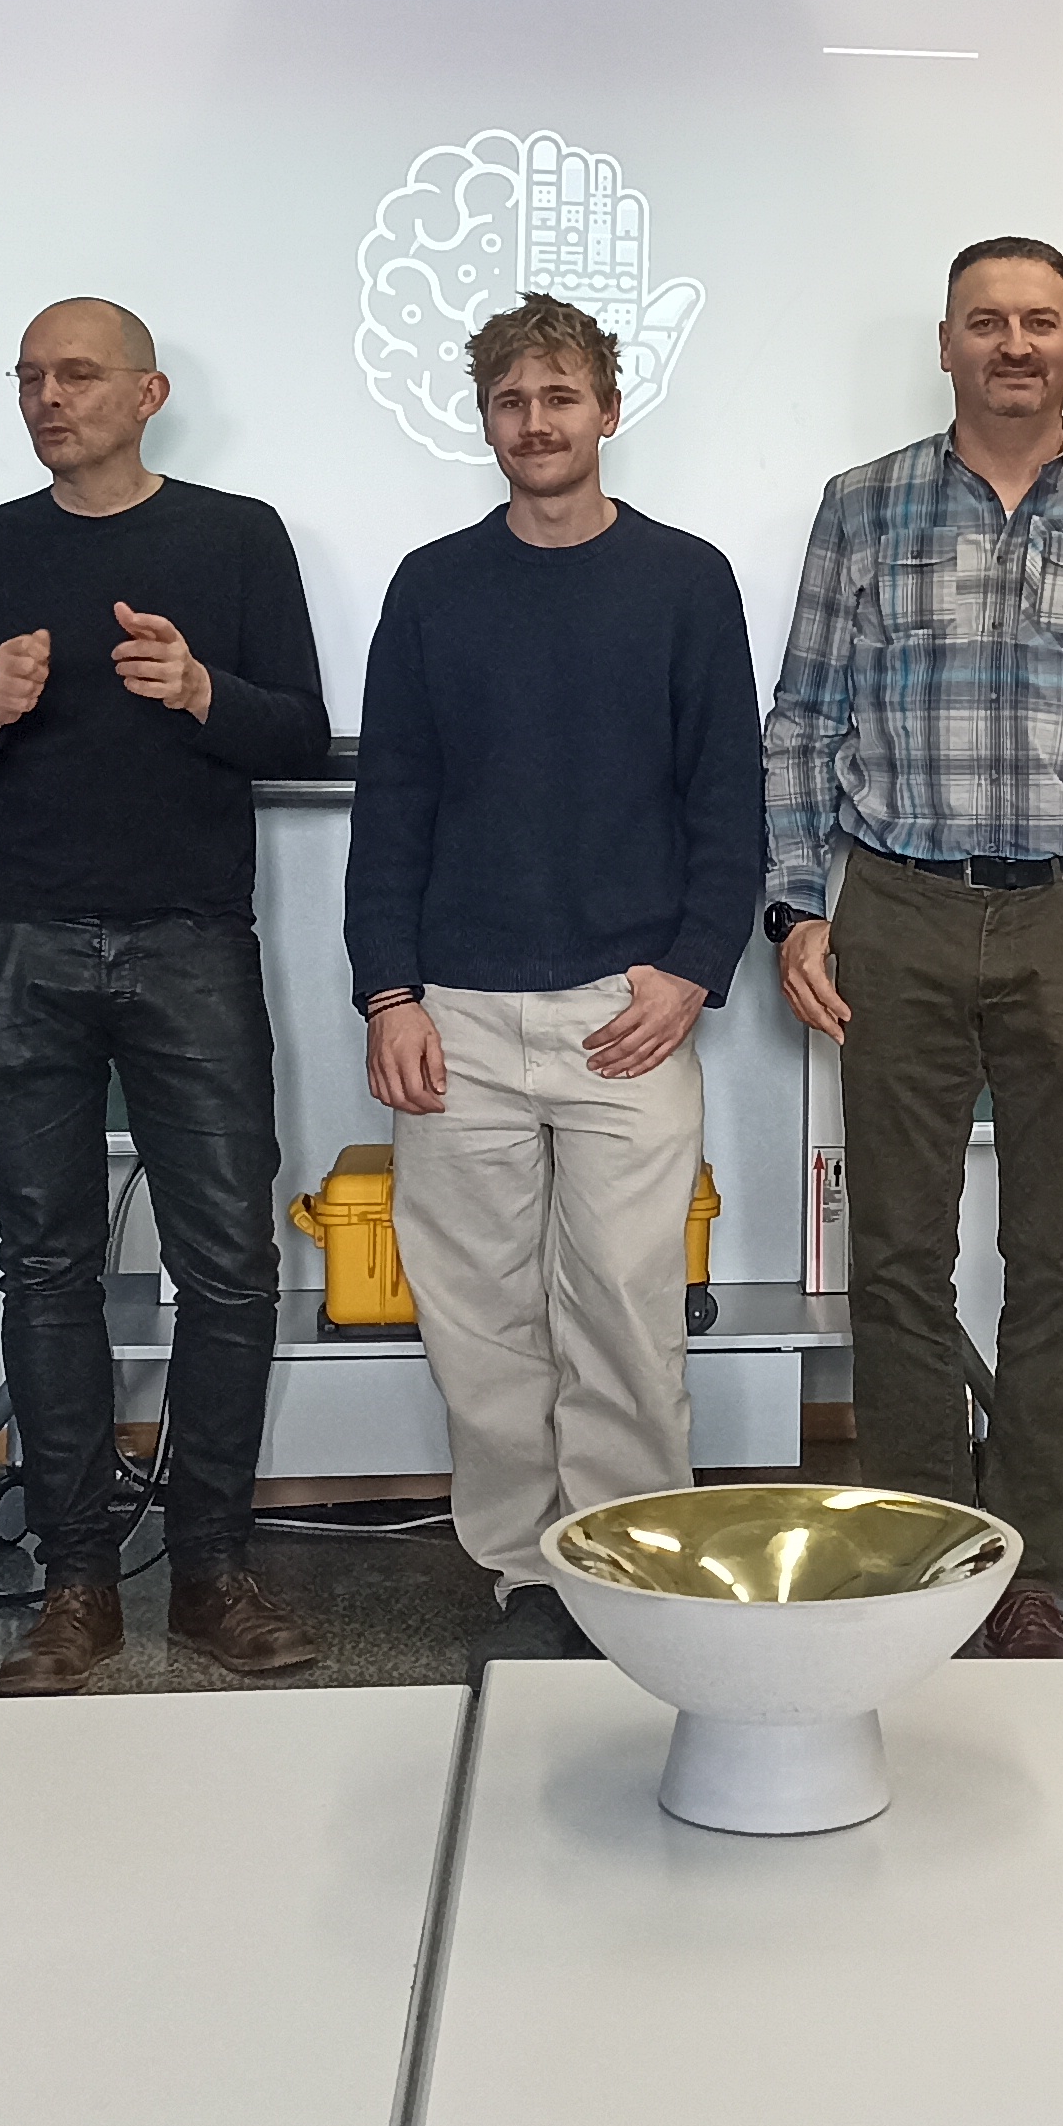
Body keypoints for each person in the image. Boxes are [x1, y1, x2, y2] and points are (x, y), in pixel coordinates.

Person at [761, 238, 1063, 1658]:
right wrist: (796, 905)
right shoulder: (863, 506)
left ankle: (1031, 1566)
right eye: (987, 321)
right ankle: (919, 1554)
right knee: (896, 1257)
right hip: (895, 908)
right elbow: (802, 721)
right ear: (947, 343)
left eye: (1039, 321)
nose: (1014, 344)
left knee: (1057, 1262)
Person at [0, 297, 330, 1695]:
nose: (47, 397)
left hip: (190, 939)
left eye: (75, 374)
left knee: (231, 1267)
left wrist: (200, 691)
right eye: (28, 377)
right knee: (47, 1263)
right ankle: (77, 1584)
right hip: (16, 940)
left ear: (148, 394)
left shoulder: (237, 537)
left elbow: (300, 731)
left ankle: (210, 1571)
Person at [351, 296, 762, 1674]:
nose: (537, 423)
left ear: (609, 410)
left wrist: (693, 971)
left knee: (627, 1314)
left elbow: (727, 798)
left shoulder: (686, 581)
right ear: (486, 420)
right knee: (480, 1325)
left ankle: (628, 1567)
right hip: (454, 1013)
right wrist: (387, 994)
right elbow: (392, 806)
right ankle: (529, 1576)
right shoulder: (432, 587)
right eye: (512, 401)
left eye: (561, 397)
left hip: (624, 1014)